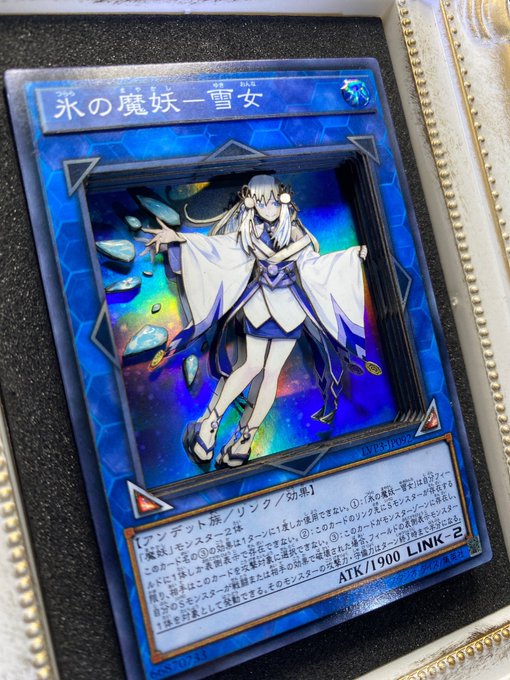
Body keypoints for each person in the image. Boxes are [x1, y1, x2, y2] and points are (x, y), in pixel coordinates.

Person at [142, 175, 367, 469]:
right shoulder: (248, 231)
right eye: (261, 202)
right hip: (260, 304)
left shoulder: (294, 230)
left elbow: (314, 265)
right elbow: (218, 250)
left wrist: (351, 256)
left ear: (283, 198)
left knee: (271, 372)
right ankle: (210, 425)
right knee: (251, 365)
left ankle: (243, 440)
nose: (268, 207)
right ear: (250, 201)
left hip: (290, 308)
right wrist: (180, 240)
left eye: (272, 201)